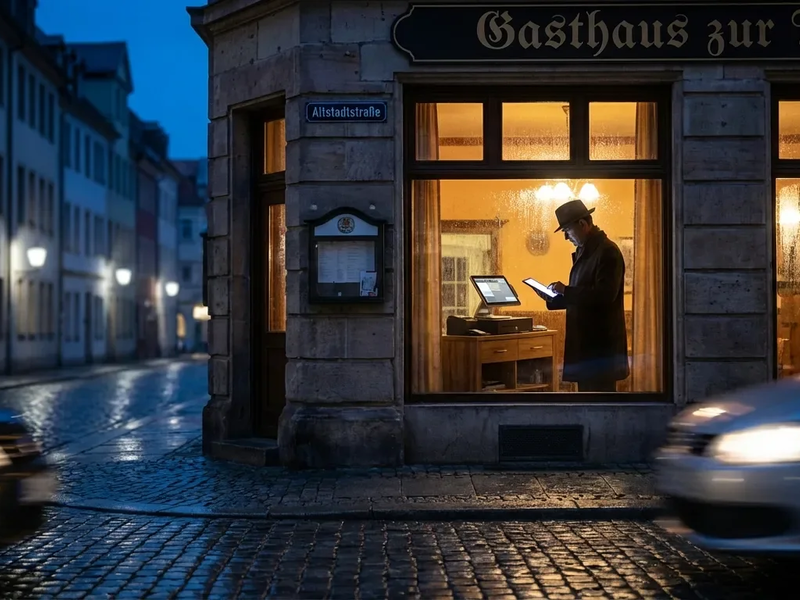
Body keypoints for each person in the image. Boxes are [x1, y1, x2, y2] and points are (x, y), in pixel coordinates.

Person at [532, 199, 629, 392]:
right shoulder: (586, 252)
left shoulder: (607, 252)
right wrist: (552, 298)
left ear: (583, 225)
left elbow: (604, 296)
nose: (566, 238)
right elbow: (583, 297)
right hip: (587, 347)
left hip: (600, 350)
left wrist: (566, 290)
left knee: (599, 407)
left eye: (567, 231)